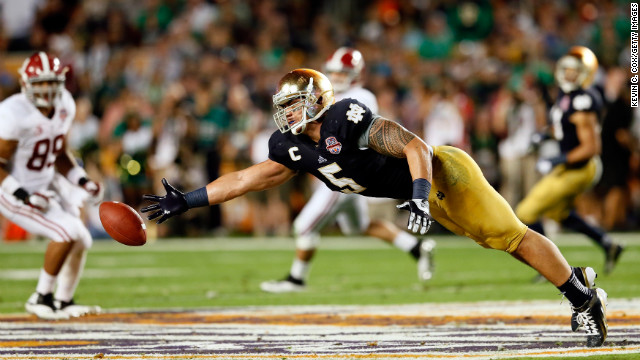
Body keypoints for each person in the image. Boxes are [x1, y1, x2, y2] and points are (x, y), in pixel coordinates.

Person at [142, 68, 609, 347]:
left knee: (512, 237)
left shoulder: (345, 117)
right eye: (282, 107)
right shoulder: (289, 146)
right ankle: (580, 279)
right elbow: (247, 178)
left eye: (295, 104)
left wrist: (422, 194)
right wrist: (188, 200)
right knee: (495, 241)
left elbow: (415, 145)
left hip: (443, 173)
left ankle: (584, 301)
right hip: (418, 193)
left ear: (317, 100)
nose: (287, 115)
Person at [260, 47, 434, 293]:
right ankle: (416, 248)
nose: (338, 77)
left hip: (346, 173)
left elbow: (339, 141)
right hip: (338, 174)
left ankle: (296, 279)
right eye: (334, 72)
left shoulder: (360, 97)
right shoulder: (321, 96)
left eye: (343, 73)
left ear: (356, 74)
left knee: (304, 226)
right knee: (358, 227)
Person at [0, 52, 103, 319]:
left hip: (46, 184)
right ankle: (40, 296)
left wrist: (82, 180)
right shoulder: (12, 113)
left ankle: (62, 301)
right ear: (26, 83)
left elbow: (58, 153)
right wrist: (22, 194)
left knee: (82, 239)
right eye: (40, 83)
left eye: (51, 82)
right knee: (66, 231)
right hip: (12, 189)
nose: (46, 89)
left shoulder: (65, 104)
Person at [515, 46, 624, 275]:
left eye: (573, 71)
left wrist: (557, 159)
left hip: (582, 167)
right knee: (559, 213)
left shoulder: (583, 100)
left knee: (526, 211)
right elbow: (565, 129)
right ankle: (608, 244)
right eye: (565, 69)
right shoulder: (567, 95)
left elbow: (591, 147)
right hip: (570, 165)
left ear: (584, 73)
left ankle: (545, 266)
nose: (567, 74)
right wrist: (544, 134)